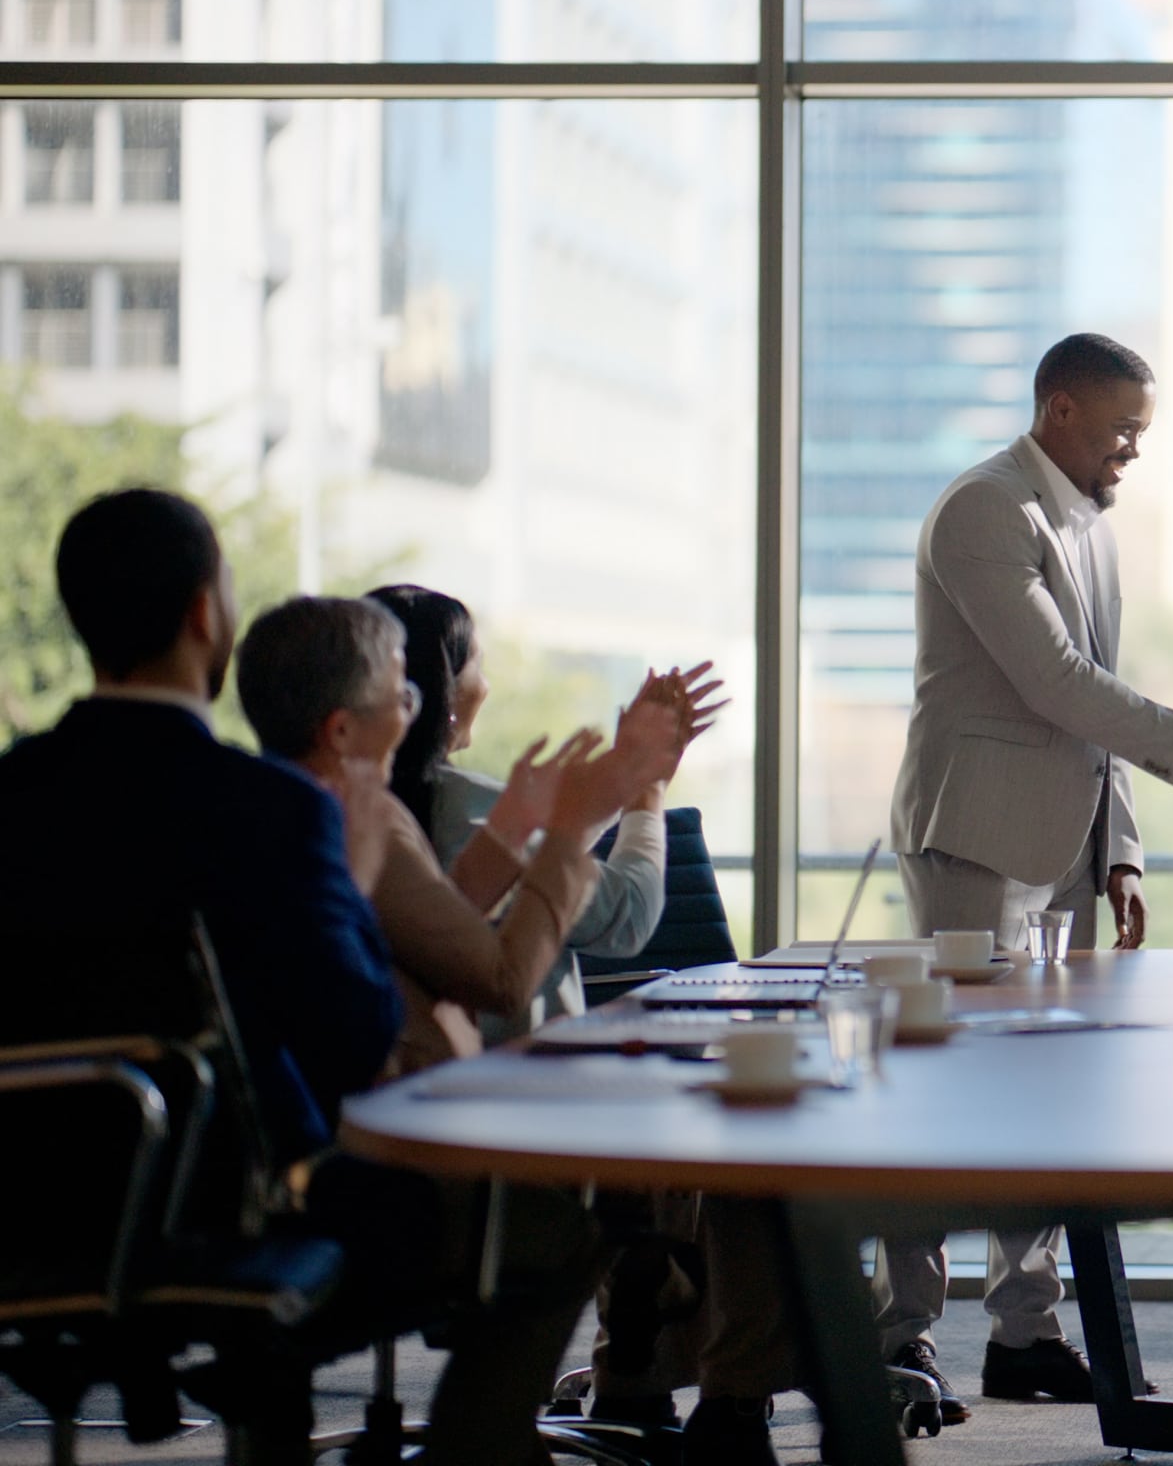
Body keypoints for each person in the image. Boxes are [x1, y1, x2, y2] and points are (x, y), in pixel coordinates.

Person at [0, 490, 589, 1464]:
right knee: (548, 1226)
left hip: (28, 1208)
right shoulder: (270, 808)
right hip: (231, 1212)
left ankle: (263, 1412)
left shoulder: (13, 797)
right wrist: (354, 887)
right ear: (205, 614)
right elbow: (356, 1043)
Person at [869, 331, 1173, 1426]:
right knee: (945, 1087)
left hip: (1064, 845)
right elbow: (1057, 683)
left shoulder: (1089, 525)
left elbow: (1092, 702)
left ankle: (1026, 1333)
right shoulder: (984, 510)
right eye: (1120, 429)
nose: (1131, 451)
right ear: (1059, 409)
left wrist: (1120, 847)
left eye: (1141, 433)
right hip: (974, 839)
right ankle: (894, 1335)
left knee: (1047, 1090)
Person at [233, 594, 677, 1077]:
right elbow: (502, 984)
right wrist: (565, 838)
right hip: (409, 1116)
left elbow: (437, 925)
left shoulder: (263, 806)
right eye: (402, 699)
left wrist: (512, 825)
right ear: (339, 732)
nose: (410, 718)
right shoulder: (349, 819)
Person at [366, 582, 722, 1034]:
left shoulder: (358, 814)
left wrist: (612, 786)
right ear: (444, 693)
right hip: (523, 1078)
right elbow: (628, 916)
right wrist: (646, 790)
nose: (488, 686)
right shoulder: (468, 810)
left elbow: (538, 875)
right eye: (479, 663)